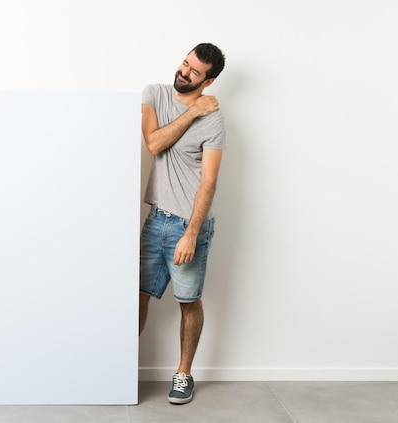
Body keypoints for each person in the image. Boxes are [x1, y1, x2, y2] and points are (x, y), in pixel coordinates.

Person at [139, 42, 226, 404]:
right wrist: (191, 113)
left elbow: (208, 182)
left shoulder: (216, 119)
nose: (184, 72)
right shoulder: (154, 94)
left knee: (188, 300)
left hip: (190, 226)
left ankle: (184, 374)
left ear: (209, 80)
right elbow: (154, 143)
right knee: (135, 295)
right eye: (184, 63)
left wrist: (191, 233)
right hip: (156, 218)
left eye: (194, 71)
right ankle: (115, 362)